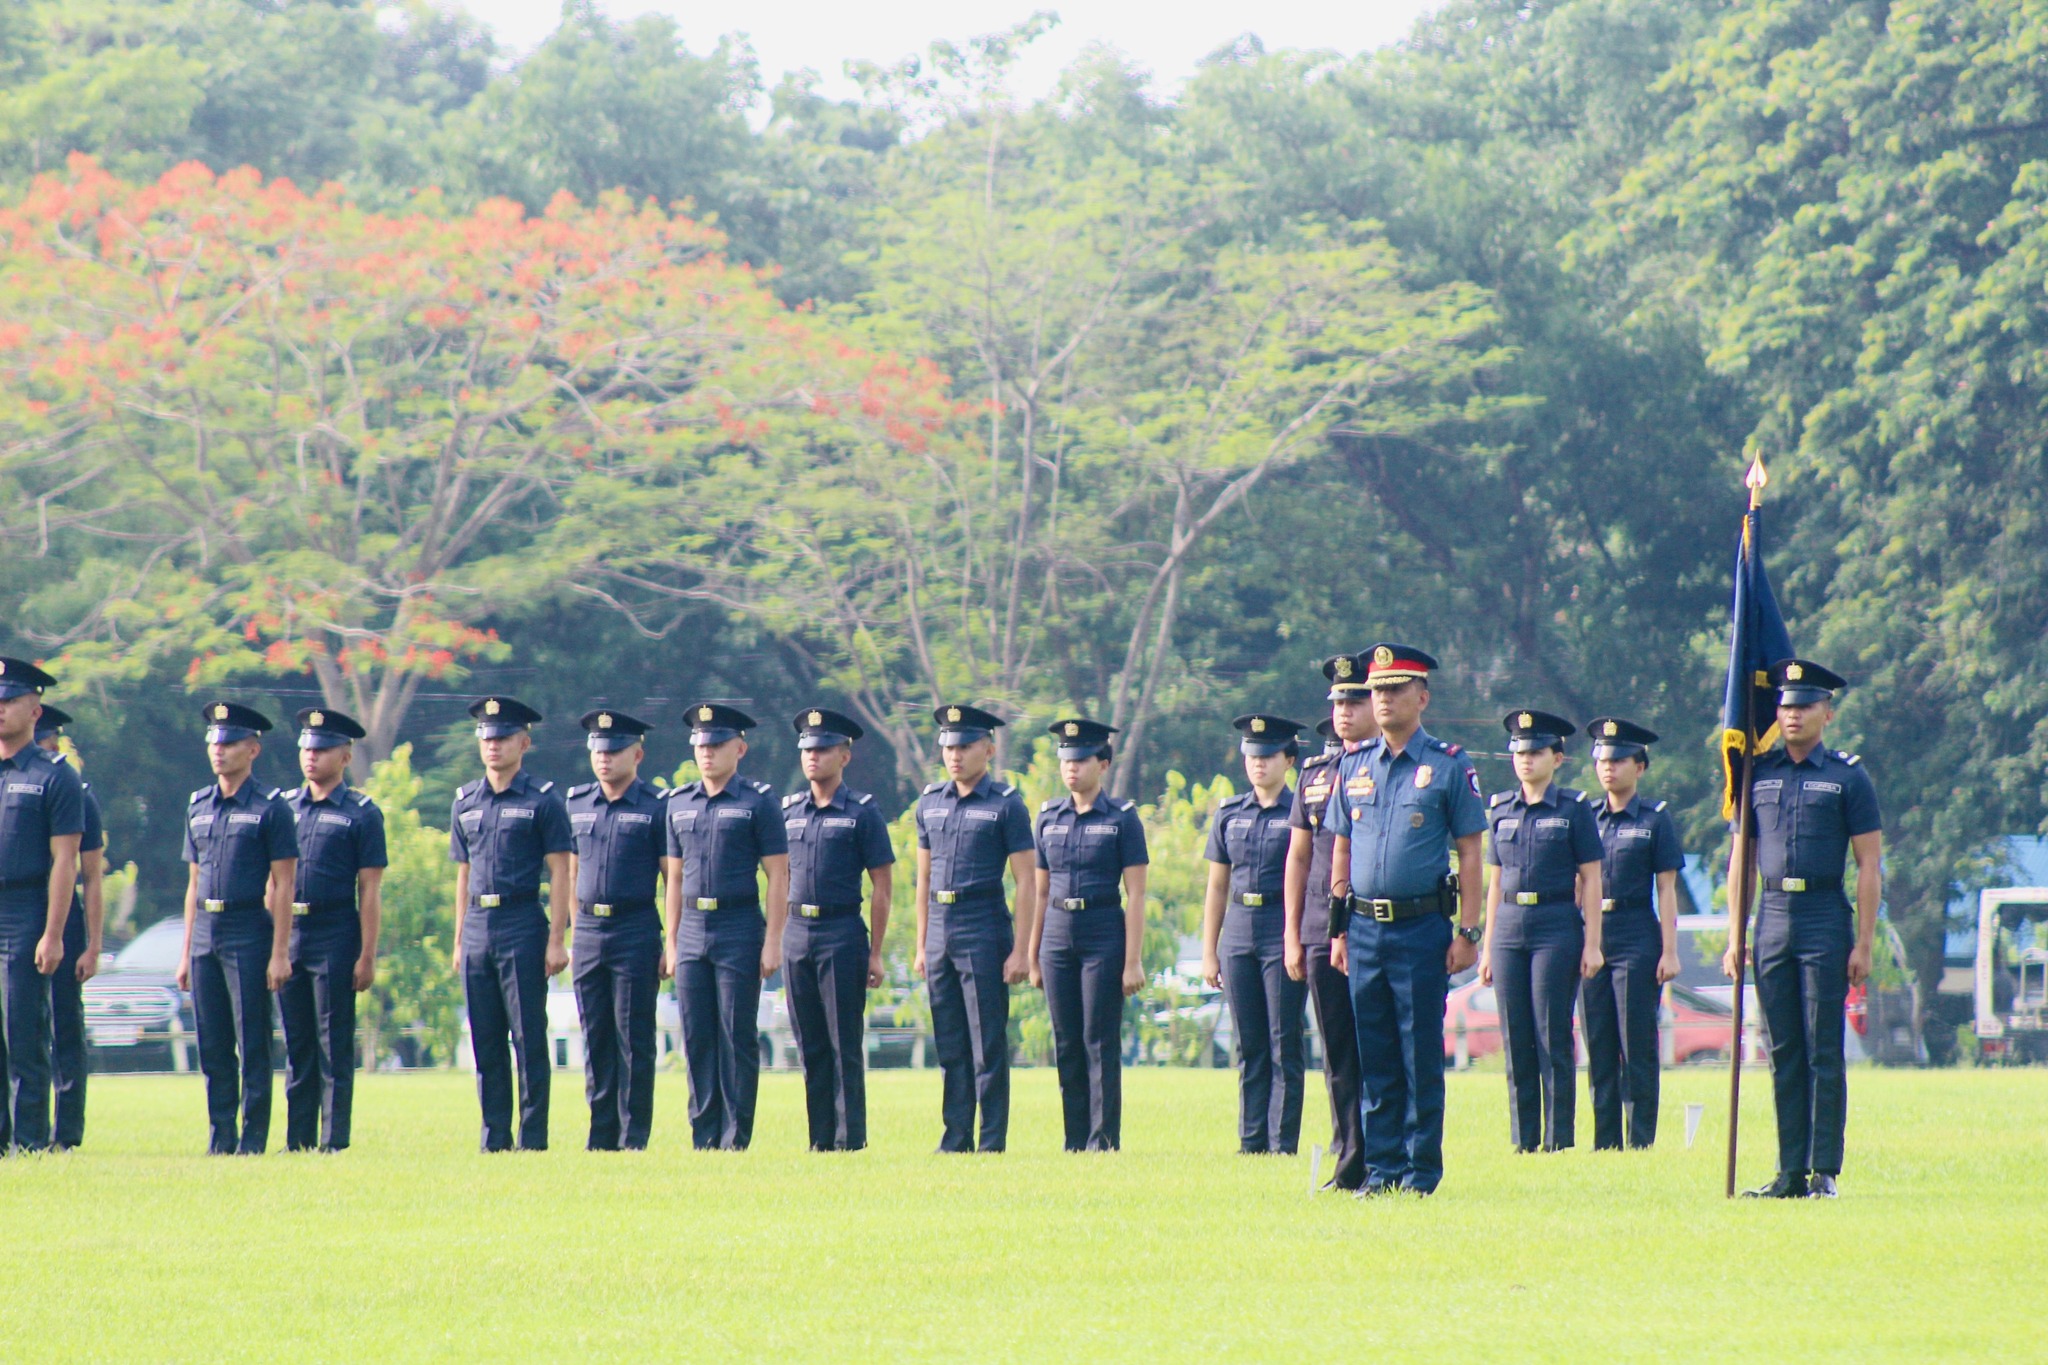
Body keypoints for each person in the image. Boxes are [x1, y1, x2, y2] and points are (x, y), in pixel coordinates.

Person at [1322, 644, 1486, 1195]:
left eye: (1395, 690)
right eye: (1377, 691)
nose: (1384, 699)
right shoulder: (1354, 765)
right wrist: (1339, 928)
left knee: (1419, 1052)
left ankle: (1420, 1171)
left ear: (1422, 697)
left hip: (1421, 928)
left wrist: (1469, 931)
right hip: (1365, 929)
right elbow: (1341, 849)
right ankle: (1382, 1167)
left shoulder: (1447, 765)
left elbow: (1469, 851)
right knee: (1375, 1052)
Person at [1725, 660, 1882, 1200]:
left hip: (1822, 917)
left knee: (1823, 1048)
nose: (1792, 715)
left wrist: (1864, 941)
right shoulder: (1758, 772)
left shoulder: (1847, 776)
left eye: (1804, 706)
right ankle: (1790, 1170)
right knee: (1784, 1048)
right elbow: (1741, 859)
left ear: (1827, 713)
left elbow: (1868, 865)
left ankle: (1824, 1170)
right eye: (1785, 706)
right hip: (1770, 917)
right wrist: (1734, 935)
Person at [663, 702, 788, 1151]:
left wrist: (773, 940)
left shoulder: (758, 802)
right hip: (694, 926)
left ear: (740, 748)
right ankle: (704, 1133)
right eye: (701, 745)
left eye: (717, 745)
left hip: (738, 925)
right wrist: (671, 941)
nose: (707, 753)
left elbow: (778, 876)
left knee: (737, 1034)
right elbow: (674, 879)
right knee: (697, 1035)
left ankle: (736, 1135)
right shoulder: (678, 803)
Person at [451, 695, 572, 1153]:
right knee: (485, 1039)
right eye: (486, 737)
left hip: (523, 921)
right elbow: (463, 872)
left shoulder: (542, 800)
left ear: (524, 742)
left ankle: (533, 1136)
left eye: (503, 738)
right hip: (479, 922)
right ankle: (494, 1135)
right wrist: (459, 937)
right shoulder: (465, 801)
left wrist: (557, 940)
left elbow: (560, 869)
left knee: (527, 1036)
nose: (493, 746)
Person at [1479, 710, 1604, 1153]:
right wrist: (1488, 947)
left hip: (1556, 925)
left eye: (1535, 752)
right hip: (1511, 926)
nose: (1525, 760)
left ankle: (1559, 1140)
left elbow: (1590, 878)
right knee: (1516, 1038)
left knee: (1552, 1033)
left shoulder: (1574, 809)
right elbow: (1495, 882)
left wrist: (1592, 943)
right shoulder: (1500, 809)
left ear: (1557, 758)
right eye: (1519, 752)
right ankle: (1523, 1140)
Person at [913, 704, 1035, 1154]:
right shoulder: (930, 802)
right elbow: (923, 879)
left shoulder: (1006, 805)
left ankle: (991, 1140)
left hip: (983, 924)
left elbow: (1026, 882)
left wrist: (1022, 950)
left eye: (964, 746)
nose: (955, 755)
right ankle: (956, 1136)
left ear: (989, 748)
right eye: (948, 746)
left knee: (987, 1042)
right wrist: (922, 943)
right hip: (941, 928)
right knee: (950, 1042)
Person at [179, 701, 296, 1155]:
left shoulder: (271, 808)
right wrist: (187, 950)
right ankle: (220, 1135)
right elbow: (192, 883)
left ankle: (252, 1138)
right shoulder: (199, 805)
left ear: (253, 749)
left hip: (249, 926)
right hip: (207, 929)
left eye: (228, 744)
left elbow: (283, 884)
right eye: (214, 743)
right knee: (213, 1043)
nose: (219, 751)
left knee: (252, 1041)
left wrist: (280, 951)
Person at [1027, 718, 1148, 1152]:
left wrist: (1132, 960)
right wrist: (1032, 953)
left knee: (1099, 1037)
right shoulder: (1048, 818)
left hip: (1102, 931)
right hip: (1058, 933)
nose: (1072, 768)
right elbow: (1040, 892)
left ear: (1104, 763)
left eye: (1081, 759)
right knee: (1066, 1039)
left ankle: (1103, 1138)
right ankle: (1074, 1137)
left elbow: (1135, 894)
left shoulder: (1122, 820)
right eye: (1066, 759)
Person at [780, 707, 895, 1152]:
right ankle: (820, 1139)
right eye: (807, 749)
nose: (813, 757)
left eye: (823, 749)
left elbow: (881, 885)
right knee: (809, 1043)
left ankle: (851, 1138)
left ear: (844, 756)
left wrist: (877, 952)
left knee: (843, 1041)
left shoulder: (862, 812)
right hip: (797, 931)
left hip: (842, 931)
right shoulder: (788, 811)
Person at [1285, 655, 1378, 1187]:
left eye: (1355, 700)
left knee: (1379, 1049)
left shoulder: (1391, 769)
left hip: (1376, 924)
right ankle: (1349, 1162)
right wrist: (1292, 934)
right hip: (1322, 927)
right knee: (1339, 1053)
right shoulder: (1317, 775)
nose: (1344, 711)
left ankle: (1387, 1157)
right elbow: (1298, 857)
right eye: (1338, 702)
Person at [1203, 714, 1310, 1154]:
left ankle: (1282, 1142)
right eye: (1251, 755)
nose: (1258, 764)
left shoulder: (1301, 812)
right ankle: (1251, 1143)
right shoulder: (1230, 812)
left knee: (1284, 1040)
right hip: (1239, 932)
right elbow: (1216, 884)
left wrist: (1298, 938)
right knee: (1248, 1044)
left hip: (1281, 929)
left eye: (1267, 756)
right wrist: (1210, 950)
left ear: (1288, 760)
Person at [280, 708, 386, 1153]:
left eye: (322, 750)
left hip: (336, 930)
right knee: (297, 1043)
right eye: (306, 748)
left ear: (344, 756)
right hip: (291, 931)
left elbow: (370, 889)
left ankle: (332, 1139)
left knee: (333, 1042)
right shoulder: (283, 808)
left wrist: (366, 954)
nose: (311, 757)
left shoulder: (361, 813)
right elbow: (273, 881)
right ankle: (298, 1138)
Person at [565, 709, 667, 1151]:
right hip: (589, 929)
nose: (604, 758)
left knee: (634, 1037)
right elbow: (571, 874)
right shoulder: (576, 803)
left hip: (635, 927)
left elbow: (672, 877)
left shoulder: (656, 806)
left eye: (614, 750)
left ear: (637, 754)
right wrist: (573, 931)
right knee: (596, 1035)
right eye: (597, 750)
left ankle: (633, 1135)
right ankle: (601, 1132)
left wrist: (670, 940)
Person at [1584, 717, 1684, 1150]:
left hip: (1637, 934)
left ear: (1639, 767)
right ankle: (1606, 1140)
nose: (1609, 767)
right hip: (1595, 934)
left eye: (1620, 760)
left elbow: (1666, 889)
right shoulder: (1586, 818)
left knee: (1636, 1042)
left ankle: (1640, 1138)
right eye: (1603, 760)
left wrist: (1670, 950)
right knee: (1599, 1042)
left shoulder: (1655, 820)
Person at [0, 659, 84, 1153]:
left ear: (35, 710)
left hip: (29, 907)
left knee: (24, 1031)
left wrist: (53, 933)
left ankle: (29, 1140)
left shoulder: (54, 776)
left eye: (9, 700)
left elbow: (65, 861)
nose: (1, 708)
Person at [33, 706, 103, 1151]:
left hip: (64, 919)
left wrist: (93, 945)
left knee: (63, 1024)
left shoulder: (76, 792)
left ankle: (68, 1130)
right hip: (19, 912)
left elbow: (92, 876)